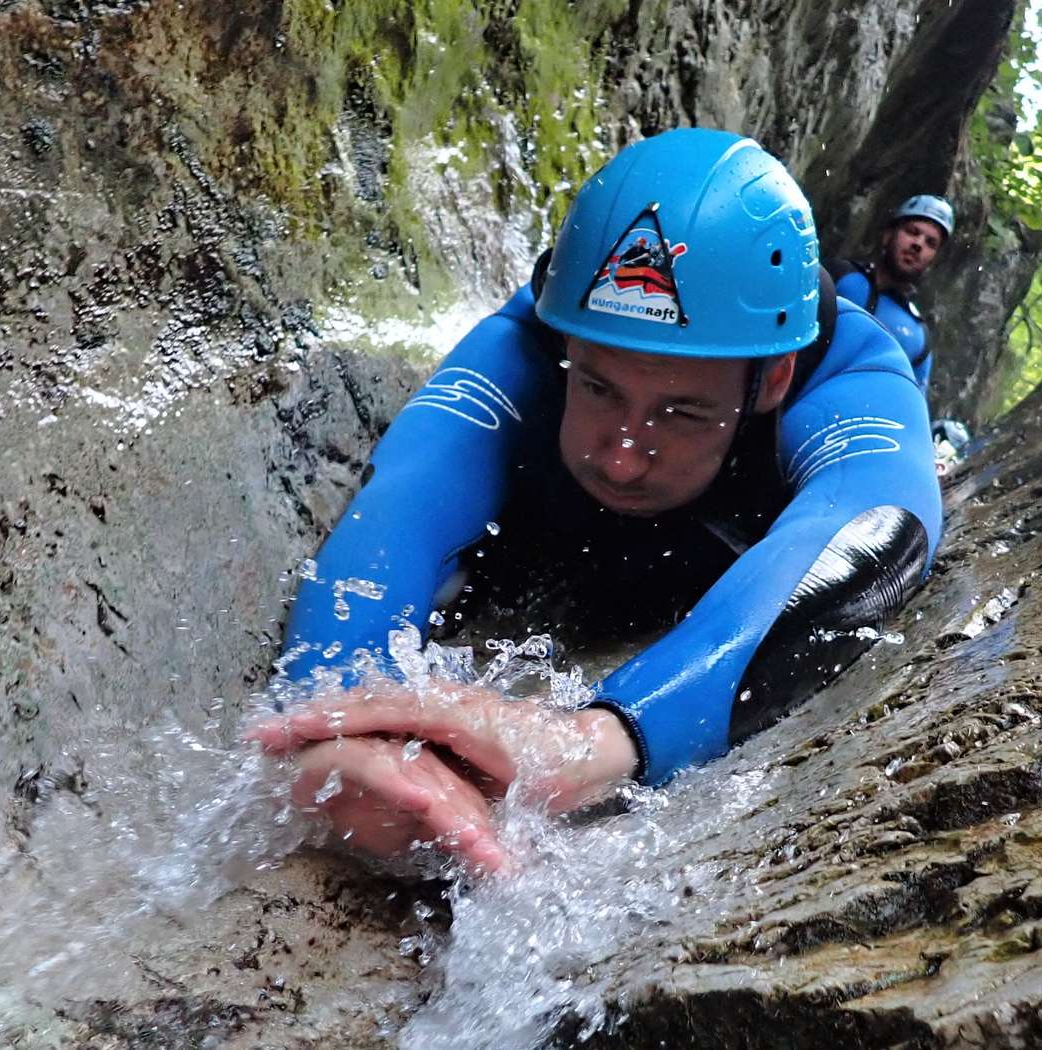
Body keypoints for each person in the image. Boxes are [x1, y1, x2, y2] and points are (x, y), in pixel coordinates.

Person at [246, 130, 942, 874]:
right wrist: (337, 723)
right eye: (599, 387)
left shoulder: (847, 371)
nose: (621, 454)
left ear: (771, 381)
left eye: (681, 413)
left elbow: (875, 526)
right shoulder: (531, 338)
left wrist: (597, 742)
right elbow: (408, 499)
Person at [828, 195, 953, 391]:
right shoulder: (839, 276)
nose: (918, 244)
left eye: (930, 243)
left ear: (933, 260)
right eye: (912, 232)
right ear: (888, 235)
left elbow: (909, 409)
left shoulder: (918, 336)